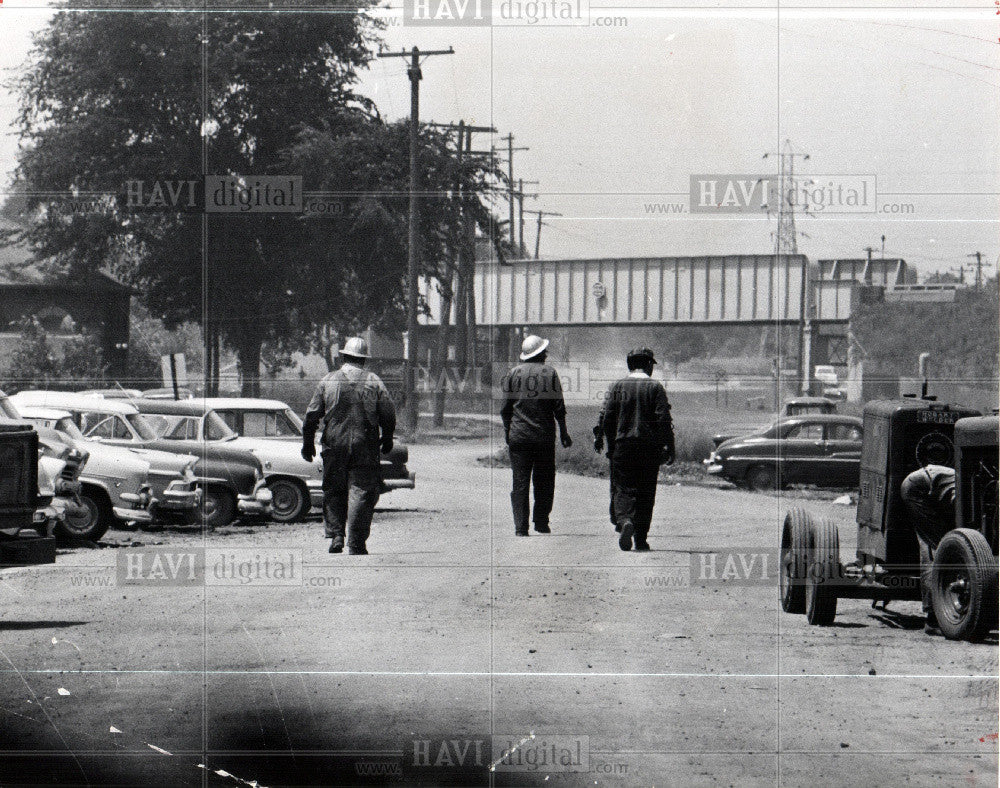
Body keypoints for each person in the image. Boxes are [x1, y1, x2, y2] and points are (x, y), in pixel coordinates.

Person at [302, 337, 396, 555]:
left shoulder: (328, 380)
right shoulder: (374, 381)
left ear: (343, 357)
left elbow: (311, 416)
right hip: (365, 446)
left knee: (334, 490)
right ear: (363, 360)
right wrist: (388, 436)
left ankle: (336, 535)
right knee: (361, 492)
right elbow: (388, 413)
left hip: (334, 445)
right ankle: (355, 543)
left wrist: (308, 444)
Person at [596, 347, 675, 552]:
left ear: (630, 364)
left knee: (623, 488)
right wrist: (670, 447)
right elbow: (664, 420)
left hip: (623, 447)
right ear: (648, 365)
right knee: (646, 493)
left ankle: (625, 522)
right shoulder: (656, 387)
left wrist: (610, 444)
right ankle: (641, 539)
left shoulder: (617, 386)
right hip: (649, 449)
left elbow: (607, 418)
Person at [500, 334, 572, 536]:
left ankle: (521, 527)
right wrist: (564, 433)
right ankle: (541, 522)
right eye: (545, 352)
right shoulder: (550, 374)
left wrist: (508, 432)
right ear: (540, 354)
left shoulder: (513, 374)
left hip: (519, 437)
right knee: (545, 480)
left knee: (520, 482)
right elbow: (559, 407)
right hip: (544, 437)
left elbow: (505, 409)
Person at [900, 464, 956, 634]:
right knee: (936, 548)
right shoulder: (965, 493)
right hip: (917, 487)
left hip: (928, 484)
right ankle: (932, 618)